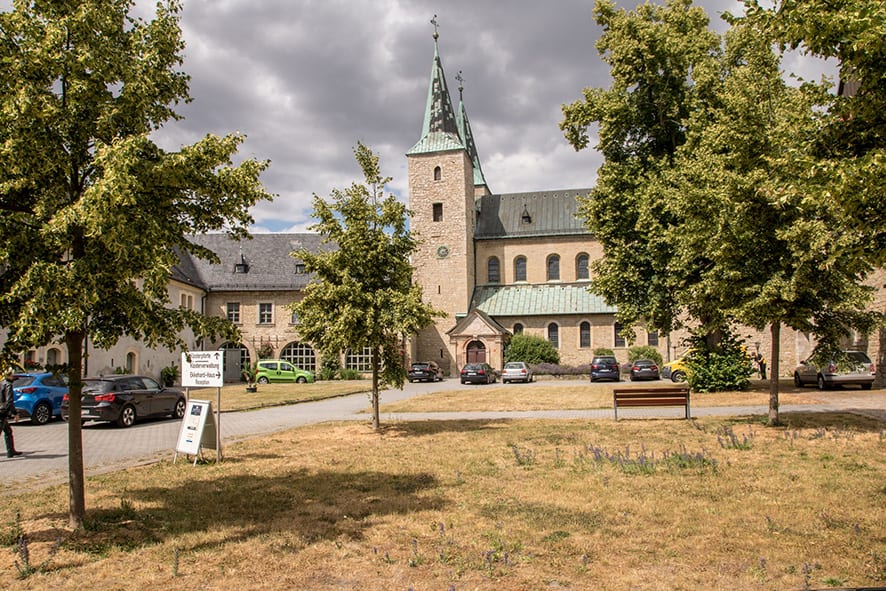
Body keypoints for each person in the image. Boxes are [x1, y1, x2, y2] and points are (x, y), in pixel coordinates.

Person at [1, 367, 23, 458]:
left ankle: (11, 451)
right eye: (12, 375)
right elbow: (9, 401)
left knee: (8, 431)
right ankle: (10, 451)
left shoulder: (1, 383)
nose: (13, 376)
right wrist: (15, 413)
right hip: (2, 412)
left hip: (1, 410)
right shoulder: (8, 385)